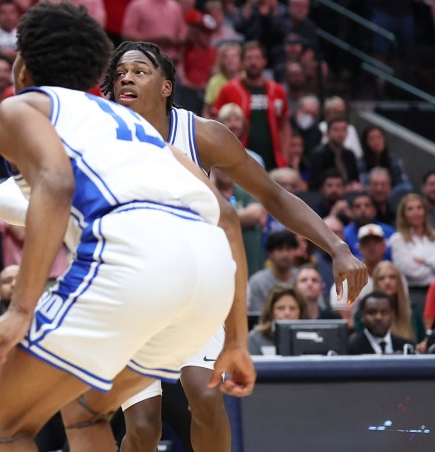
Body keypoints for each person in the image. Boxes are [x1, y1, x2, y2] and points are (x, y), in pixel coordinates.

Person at [0, 2, 255, 452]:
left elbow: (56, 183)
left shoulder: (22, 108)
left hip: (134, 264)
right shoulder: (129, 120)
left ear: (22, 66)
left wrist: (21, 311)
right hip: (208, 282)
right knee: (84, 412)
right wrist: (236, 341)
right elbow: (228, 217)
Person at [69, 40, 364, 450]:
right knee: (142, 424)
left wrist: (338, 247)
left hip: (193, 287)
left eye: (139, 71)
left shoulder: (203, 134)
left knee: (205, 396)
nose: (126, 78)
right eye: (119, 74)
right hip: (132, 289)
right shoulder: (101, 137)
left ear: (166, 85)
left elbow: (274, 196)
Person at [212, 41, 291, 171]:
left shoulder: (278, 90)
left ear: (264, 61)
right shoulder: (228, 89)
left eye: (257, 58)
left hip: (275, 161)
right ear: (242, 62)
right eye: (249, 58)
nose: (253, 62)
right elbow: (216, 122)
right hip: (239, 159)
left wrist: (285, 156)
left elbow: (285, 125)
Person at [389, 193, 435, 301]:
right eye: (410, 209)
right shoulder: (397, 239)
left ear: (425, 211)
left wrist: (425, 261)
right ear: (403, 214)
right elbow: (410, 271)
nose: (416, 212)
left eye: (419, 208)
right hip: (414, 292)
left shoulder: (433, 236)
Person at [247, 286, 307, 356]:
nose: (287, 313)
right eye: (281, 308)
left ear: (301, 311)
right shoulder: (255, 338)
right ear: (271, 312)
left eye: (292, 308)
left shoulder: (311, 337)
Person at [348, 292, 412, 355]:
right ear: (362, 316)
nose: (378, 317)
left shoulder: (407, 347)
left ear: (392, 315)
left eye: (384, 312)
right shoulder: (349, 346)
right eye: (372, 312)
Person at [307, 115, 360, 189]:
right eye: (336, 129)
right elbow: (315, 184)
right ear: (327, 133)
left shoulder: (349, 154)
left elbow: (355, 179)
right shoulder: (319, 155)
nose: (340, 133)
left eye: (343, 129)